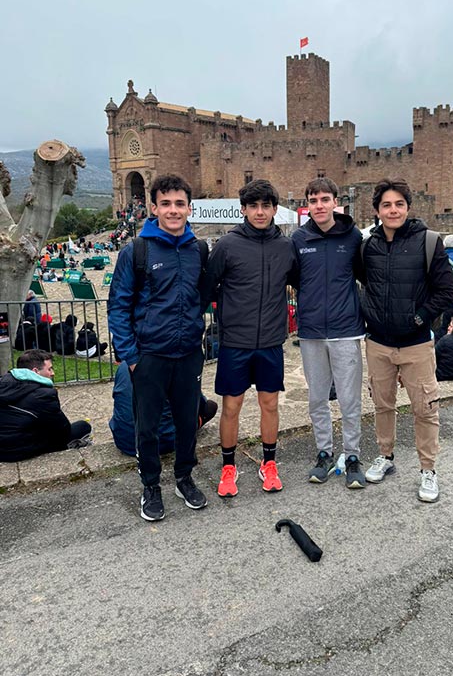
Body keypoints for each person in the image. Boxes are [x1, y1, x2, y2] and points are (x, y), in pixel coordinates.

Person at [108, 174, 208, 522]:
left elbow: (203, 297)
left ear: (189, 208)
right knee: (146, 427)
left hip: (188, 354)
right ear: (153, 208)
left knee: (186, 423)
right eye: (165, 203)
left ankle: (184, 477)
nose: (173, 210)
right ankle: (151, 486)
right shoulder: (136, 251)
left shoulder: (199, 249)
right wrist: (131, 358)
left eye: (179, 203)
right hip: (149, 356)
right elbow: (118, 307)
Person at [360, 178, 453, 503]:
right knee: (382, 404)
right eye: (386, 205)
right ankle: (385, 457)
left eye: (399, 204)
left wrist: (419, 317)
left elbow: (448, 291)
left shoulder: (429, 242)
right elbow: (359, 283)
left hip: (416, 343)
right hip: (378, 342)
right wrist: (368, 313)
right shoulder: (367, 246)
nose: (393, 210)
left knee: (425, 408)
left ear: (408, 207)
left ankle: (428, 469)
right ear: (377, 210)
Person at [201, 179, 296, 498]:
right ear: (243, 209)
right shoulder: (227, 245)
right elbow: (207, 287)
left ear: (274, 209)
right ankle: (228, 467)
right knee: (232, 406)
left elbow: (299, 283)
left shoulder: (285, 246)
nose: (259, 212)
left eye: (266, 206)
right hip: (235, 342)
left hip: (270, 341)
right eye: (253, 206)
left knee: (270, 404)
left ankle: (269, 464)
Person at [292, 177, 366, 489]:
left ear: (336, 202)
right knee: (317, 398)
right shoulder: (299, 239)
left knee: (350, 399)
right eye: (313, 200)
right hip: (311, 332)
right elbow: (295, 279)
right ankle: (324, 452)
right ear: (307, 205)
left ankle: (352, 455)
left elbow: (364, 276)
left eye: (324, 199)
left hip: (346, 330)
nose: (319, 205)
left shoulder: (352, 237)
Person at [109, 361, 217, 456]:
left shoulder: (125, 364)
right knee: (210, 408)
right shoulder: (174, 362)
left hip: (124, 440)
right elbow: (196, 403)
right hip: (164, 441)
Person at [0, 349, 92, 462]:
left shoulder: (4, 382)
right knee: (83, 426)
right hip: (15, 451)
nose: (52, 373)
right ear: (36, 371)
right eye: (49, 369)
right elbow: (63, 430)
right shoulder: (43, 395)